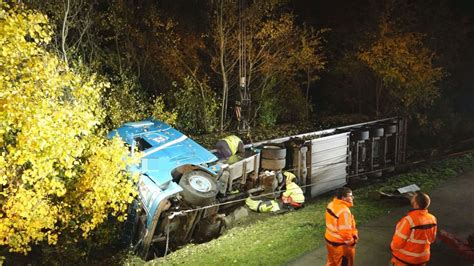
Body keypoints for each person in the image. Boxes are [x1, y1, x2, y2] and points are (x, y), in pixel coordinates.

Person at [390, 191, 437, 266]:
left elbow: (397, 243)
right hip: (422, 259)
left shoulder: (408, 220)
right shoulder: (432, 219)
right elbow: (432, 239)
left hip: (404, 260)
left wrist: (392, 248)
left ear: (415, 203)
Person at [325, 187, 358, 266]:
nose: (352, 198)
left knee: (332, 262)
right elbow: (345, 233)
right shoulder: (344, 211)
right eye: (350, 196)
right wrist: (352, 242)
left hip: (329, 240)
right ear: (343, 198)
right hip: (341, 245)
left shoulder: (331, 204)